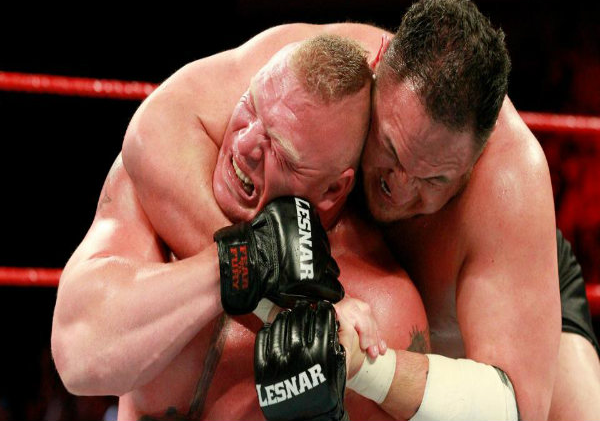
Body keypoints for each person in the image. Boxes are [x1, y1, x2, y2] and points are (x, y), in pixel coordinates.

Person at [123, 0, 600, 421]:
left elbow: (514, 408)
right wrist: (261, 279)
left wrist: (365, 364)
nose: (401, 188)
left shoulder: (508, 183)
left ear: (475, 160)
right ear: (379, 65)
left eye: (434, 179)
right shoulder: (329, 65)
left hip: (515, 285)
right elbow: (155, 128)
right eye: (390, 149)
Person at [51, 34, 429, 420]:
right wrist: (237, 263)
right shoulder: (163, 189)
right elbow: (77, 354)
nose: (245, 145)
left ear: (332, 190)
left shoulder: (378, 311)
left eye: (280, 151)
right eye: (251, 107)